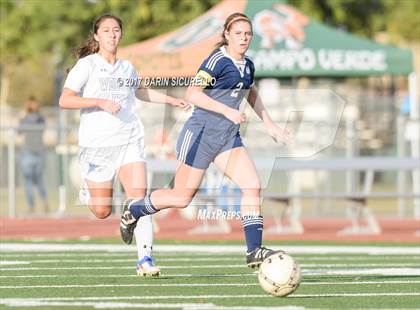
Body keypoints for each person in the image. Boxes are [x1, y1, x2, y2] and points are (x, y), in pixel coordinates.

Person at [119, 13, 289, 268]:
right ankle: (134, 209)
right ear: (227, 35)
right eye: (239, 33)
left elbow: (250, 91)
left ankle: (253, 251)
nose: (244, 38)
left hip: (227, 139)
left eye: (248, 34)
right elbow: (193, 93)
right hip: (200, 135)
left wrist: (269, 123)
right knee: (181, 197)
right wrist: (227, 110)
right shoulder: (217, 60)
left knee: (252, 185)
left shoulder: (248, 64)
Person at [59, 14, 189, 276]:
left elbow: (140, 91)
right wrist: (98, 101)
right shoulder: (87, 66)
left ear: (121, 34)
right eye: (106, 30)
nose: (112, 34)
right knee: (102, 210)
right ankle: (89, 188)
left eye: (116, 30)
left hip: (130, 140)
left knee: (139, 198)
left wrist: (171, 101)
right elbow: (65, 100)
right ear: (97, 36)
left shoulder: (127, 67)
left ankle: (145, 260)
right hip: (97, 146)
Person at [18, 96, 49, 214]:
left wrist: (25, 115)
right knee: (31, 181)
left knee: (36, 180)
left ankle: (42, 202)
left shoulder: (38, 118)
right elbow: (19, 132)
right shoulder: (29, 118)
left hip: (37, 153)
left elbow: (20, 131)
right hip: (29, 153)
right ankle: (33, 205)